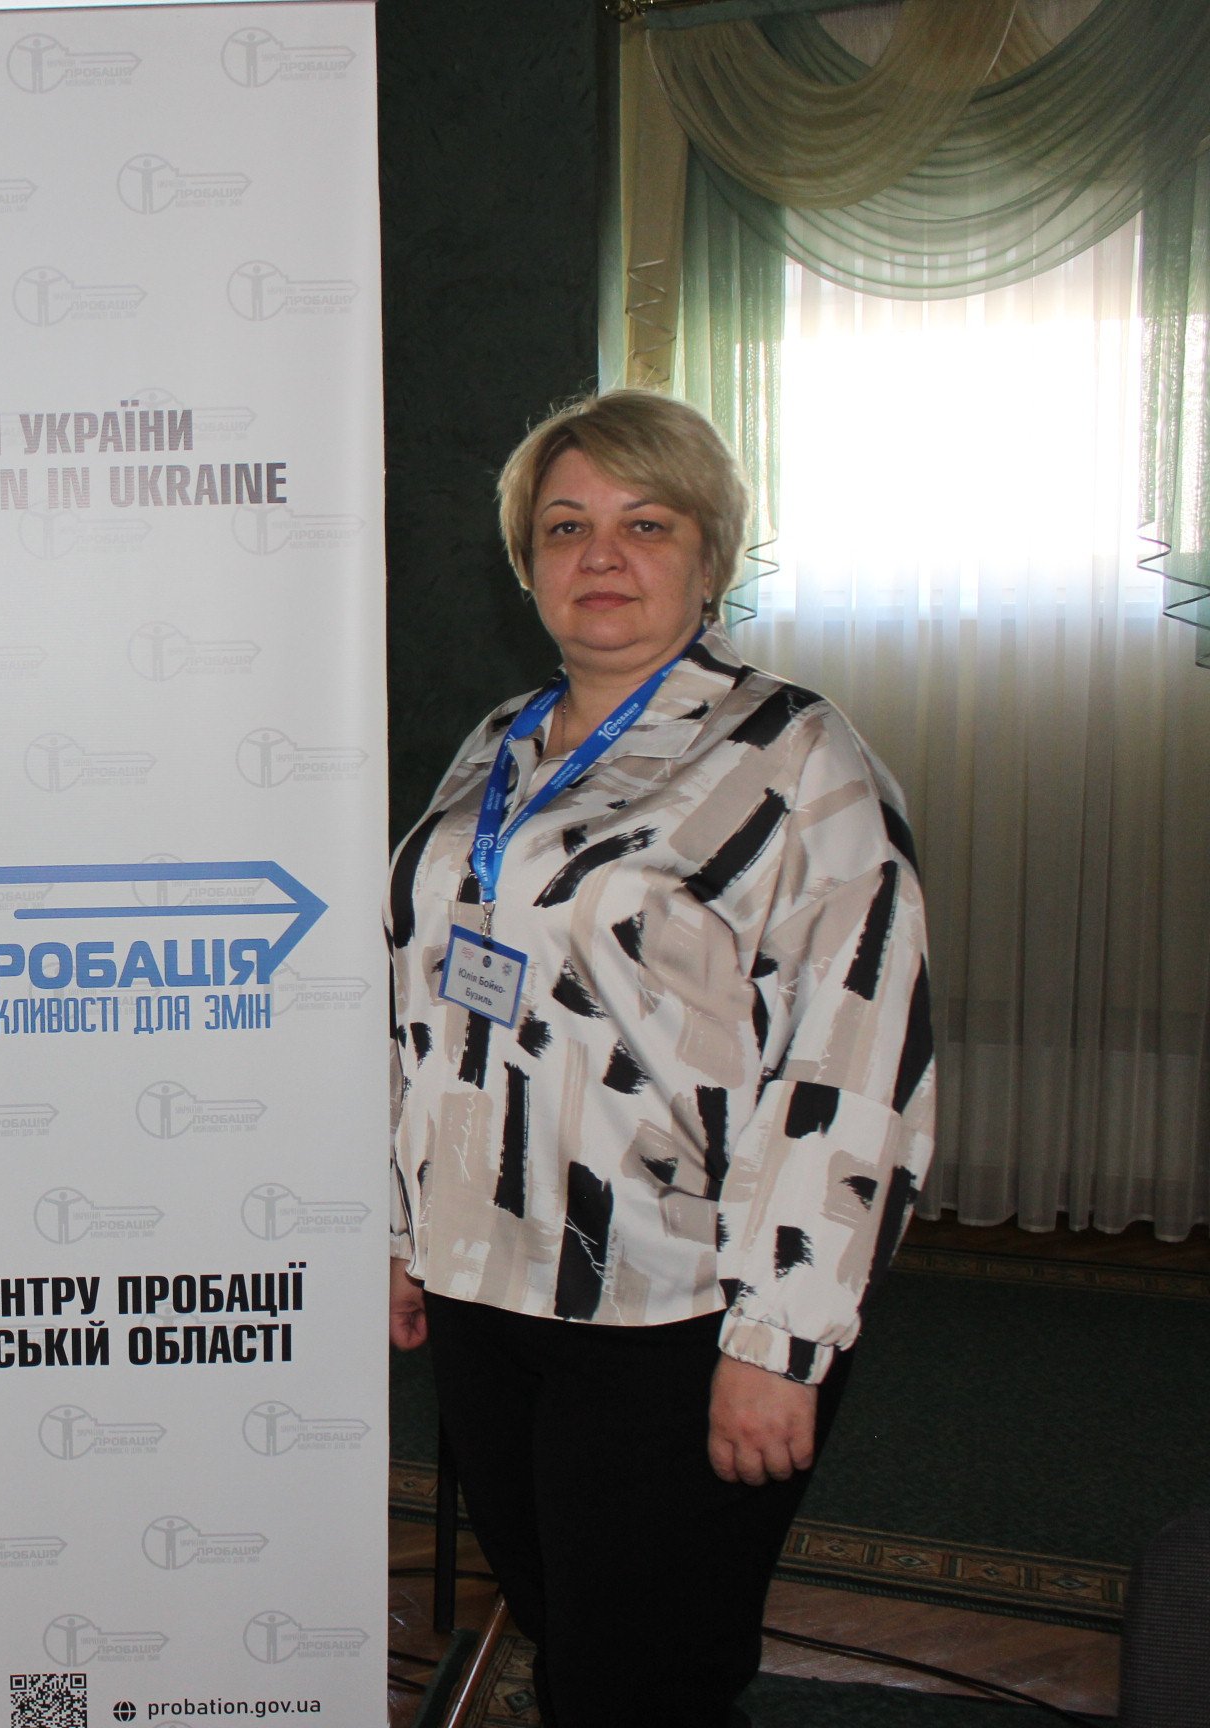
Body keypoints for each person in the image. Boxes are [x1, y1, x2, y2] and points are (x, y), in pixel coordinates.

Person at [384, 391, 934, 1727]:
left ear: (711, 554)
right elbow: (427, 1009)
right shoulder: (502, 743)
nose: (602, 557)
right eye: (565, 527)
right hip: (487, 1279)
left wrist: (782, 1338)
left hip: (675, 1304)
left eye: (646, 524)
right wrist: (403, 1228)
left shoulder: (796, 756)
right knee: (567, 1623)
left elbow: (856, 1056)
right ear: (526, 562)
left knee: (646, 1672)